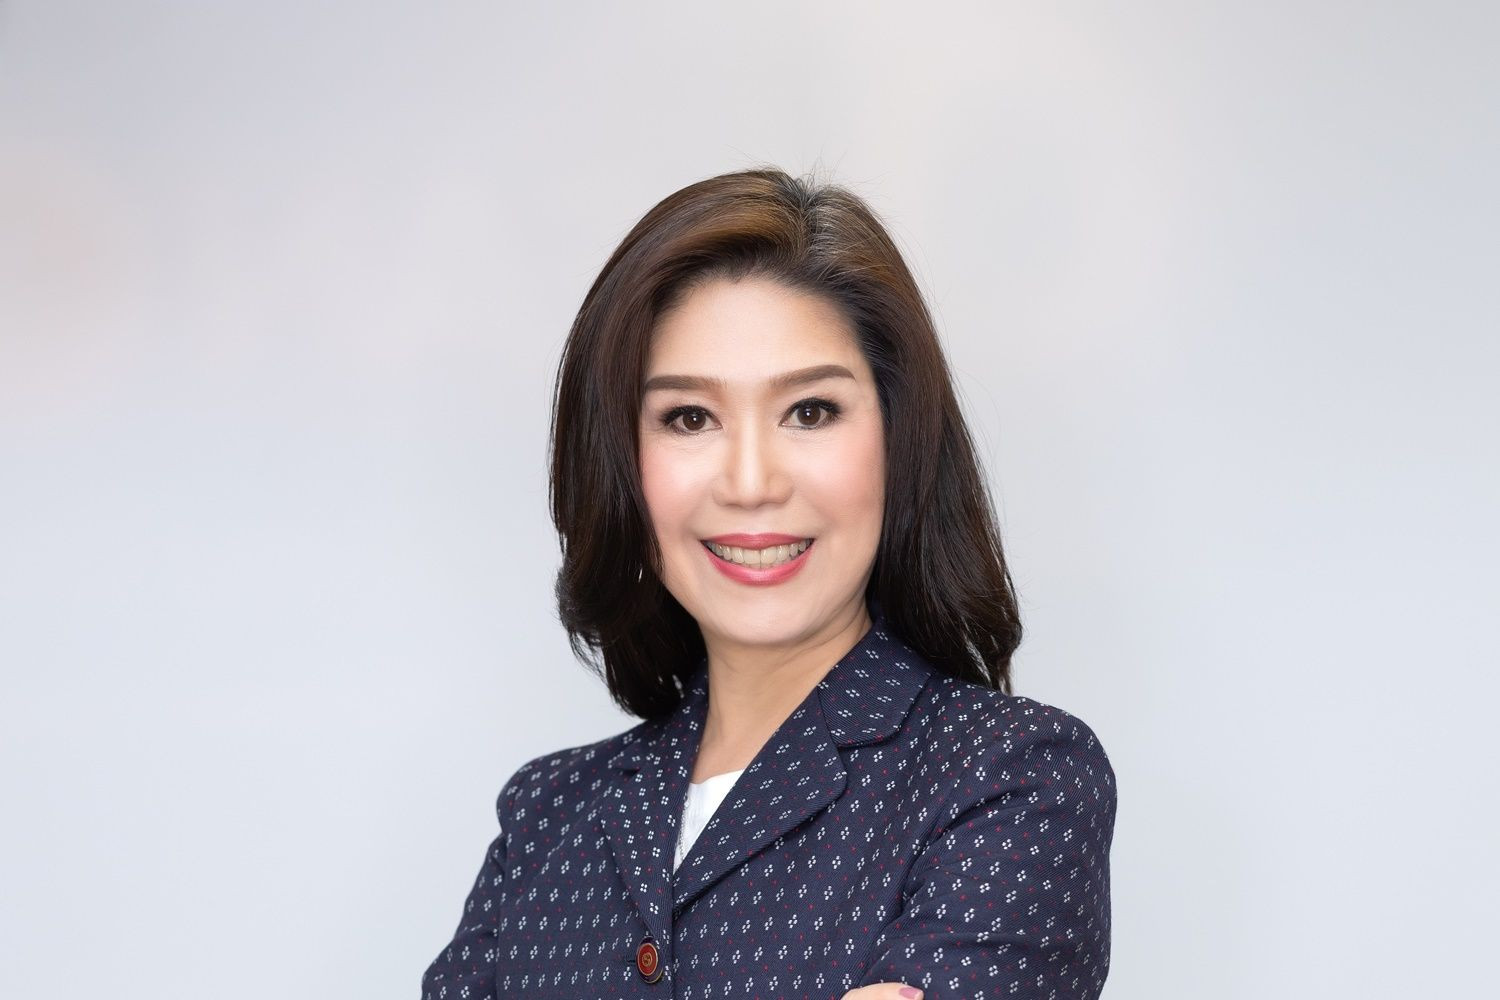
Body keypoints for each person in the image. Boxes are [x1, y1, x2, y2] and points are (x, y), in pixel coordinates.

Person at [419, 167, 1117, 1000]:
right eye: (689, 418)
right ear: (620, 465)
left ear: (898, 438)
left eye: (810, 411)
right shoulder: (547, 816)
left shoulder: (1009, 779)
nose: (751, 483)